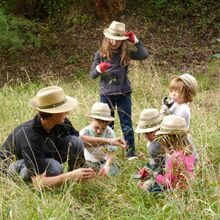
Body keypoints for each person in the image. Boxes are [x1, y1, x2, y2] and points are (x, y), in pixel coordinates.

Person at [1, 86, 96, 190]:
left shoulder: (61, 122)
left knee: (75, 142)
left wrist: (109, 141)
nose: (67, 113)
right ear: (52, 113)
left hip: (43, 156)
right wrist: (70, 176)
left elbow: (81, 141)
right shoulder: (31, 137)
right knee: (54, 167)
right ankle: (29, 185)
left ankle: (79, 180)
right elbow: (39, 184)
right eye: (63, 110)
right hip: (12, 166)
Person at [90, 21, 149, 159]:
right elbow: (92, 74)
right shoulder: (101, 53)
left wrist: (136, 41)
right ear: (107, 38)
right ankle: (107, 154)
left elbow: (144, 54)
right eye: (111, 38)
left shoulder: (126, 52)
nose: (114, 42)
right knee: (107, 125)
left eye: (118, 39)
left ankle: (130, 154)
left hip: (124, 92)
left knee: (126, 124)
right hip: (106, 94)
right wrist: (99, 69)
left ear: (123, 40)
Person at [138, 115, 196, 192]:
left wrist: (153, 174)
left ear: (168, 138)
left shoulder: (174, 157)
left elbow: (168, 183)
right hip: (189, 188)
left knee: (141, 186)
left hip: (177, 192)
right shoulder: (189, 151)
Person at [80, 102, 126, 176]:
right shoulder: (84, 132)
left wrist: (107, 166)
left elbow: (111, 152)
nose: (99, 131)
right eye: (96, 127)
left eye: (103, 128)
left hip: (104, 161)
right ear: (90, 120)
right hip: (89, 161)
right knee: (85, 171)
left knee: (115, 170)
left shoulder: (110, 132)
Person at [161, 73, 199, 161]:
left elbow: (178, 126)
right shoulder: (174, 103)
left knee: (181, 155)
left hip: (179, 137)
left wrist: (168, 113)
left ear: (187, 93)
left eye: (178, 92)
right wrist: (165, 109)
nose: (173, 94)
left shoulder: (184, 109)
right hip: (171, 135)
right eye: (172, 91)